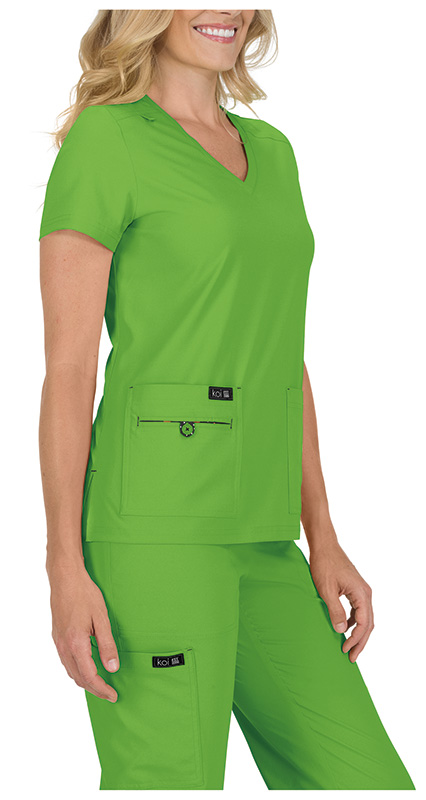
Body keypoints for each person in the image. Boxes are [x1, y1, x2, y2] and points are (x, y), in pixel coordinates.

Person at [38, 9, 415, 791]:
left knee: (364, 779)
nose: (228, 10)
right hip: (157, 534)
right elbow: (69, 371)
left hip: (267, 535)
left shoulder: (273, 152)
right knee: (168, 782)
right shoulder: (107, 141)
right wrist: (64, 566)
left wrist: (323, 534)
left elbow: (280, 355)